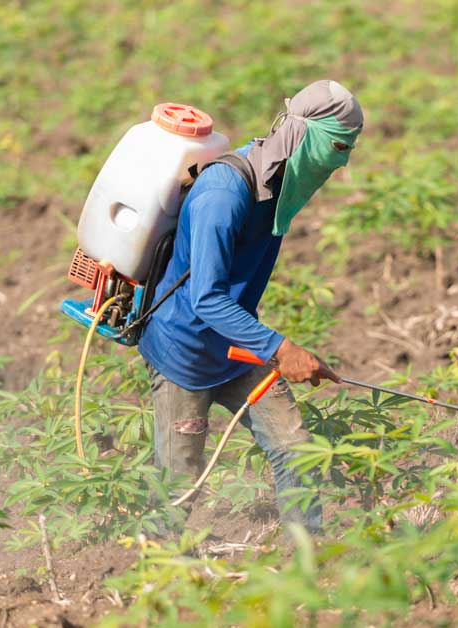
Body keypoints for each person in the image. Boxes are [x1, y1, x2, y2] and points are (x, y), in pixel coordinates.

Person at [137, 80, 362, 532]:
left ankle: (309, 555)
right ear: (302, 134)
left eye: (348, 149)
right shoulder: (223, 194)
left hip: (236, 347)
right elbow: (206, 298)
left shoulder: (277, 188)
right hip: (184, 352)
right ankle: (155, 567)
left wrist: (271, 348)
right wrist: (281, 348)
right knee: (178, 486)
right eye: (337, 146)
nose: (341, 162)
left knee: (297, 449)